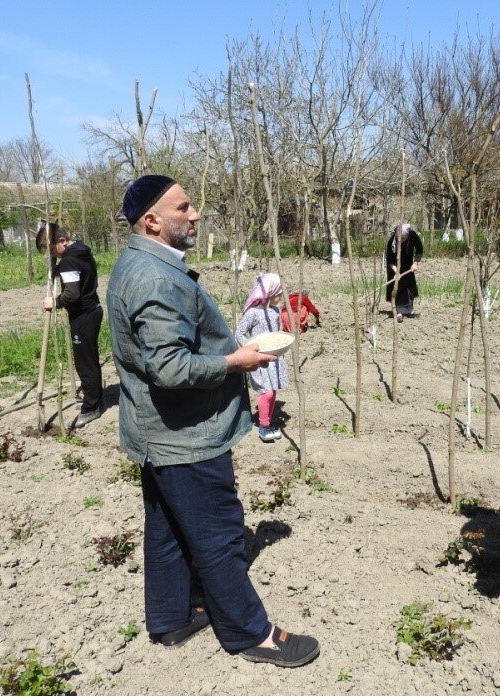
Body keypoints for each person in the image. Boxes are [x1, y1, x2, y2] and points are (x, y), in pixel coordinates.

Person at [106, 174, 319, 668]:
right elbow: (170, 367)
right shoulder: (156, 278)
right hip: (187, 435)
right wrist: (235, 362)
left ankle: (172, 617)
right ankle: (250, 633)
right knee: (219, 533)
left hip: (157, 432)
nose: (196, 214)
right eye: (184, 208)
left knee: (167, 529)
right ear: (153, 221)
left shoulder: (139, 263)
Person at [36, 221, 103, 429]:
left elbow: (72, 294)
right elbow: (81, 277)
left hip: (83, 315)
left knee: (84, 362)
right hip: (93, 310)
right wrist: (59, 270)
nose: (51, 256)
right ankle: (95, 398)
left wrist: (54, 302)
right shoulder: (81, 252)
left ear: (62, 241)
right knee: (89, 358)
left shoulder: (69, 261)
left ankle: (91, 407)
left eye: (51, 250)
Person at [236, 273, 289, 443]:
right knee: (266, 392)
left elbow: (275, 332)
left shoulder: (274, 311)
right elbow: (239, 333)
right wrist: (250, 348)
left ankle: (268, 421)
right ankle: (264, 426)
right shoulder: (253, 313)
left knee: (272, 391)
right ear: (270, 293)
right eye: (278, 293)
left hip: (273, 358)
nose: (280, 297)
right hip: (260, 360)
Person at [385, 222, 423, 322]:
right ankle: (398, 312)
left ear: (407, 235)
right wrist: (396, 272)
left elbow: (419, 250)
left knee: (409, 287)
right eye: (399, 238)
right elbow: (389, 260)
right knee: (398, 288)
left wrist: (415, 263)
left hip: (408, 265)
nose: (400, 240)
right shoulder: (391, 242)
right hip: (394, 267)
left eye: (403, 238)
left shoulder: (412, 236)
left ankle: (408, 311)